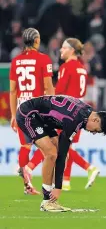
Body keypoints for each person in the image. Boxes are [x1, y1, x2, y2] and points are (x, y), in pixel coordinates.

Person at [26, 38, 101, 191]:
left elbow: (59, 91)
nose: (61, 50)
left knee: (56, 145)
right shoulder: (82, 68)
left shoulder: (67, 67)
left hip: (66, 112)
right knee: (66, 147)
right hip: (79, 111)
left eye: (64, 48)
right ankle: (66, 181)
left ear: (71, 50)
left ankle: (89, 168)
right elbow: (82, 92)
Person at [16, 95, 106, 211]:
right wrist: (58, 188)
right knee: (52, 153)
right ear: (95, 120)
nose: (93, 133)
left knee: (63, 155)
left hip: (42, 118)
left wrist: (58, 187)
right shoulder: (75, 120)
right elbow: (60, 155)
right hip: (28, 114)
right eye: (96, 130)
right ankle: (47, 200)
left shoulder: (87, 112)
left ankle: (51, 201)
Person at [9, 27, 55, 195]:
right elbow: (47, 86)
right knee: (50, 148)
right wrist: (54, 108)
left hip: (21, 108)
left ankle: (27, 185)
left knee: (25, 146)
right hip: (37, 108)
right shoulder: (43, 59)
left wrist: (13, 114)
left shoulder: (15, 61)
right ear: (36, 41)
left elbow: (13, 90)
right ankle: (29, 169)